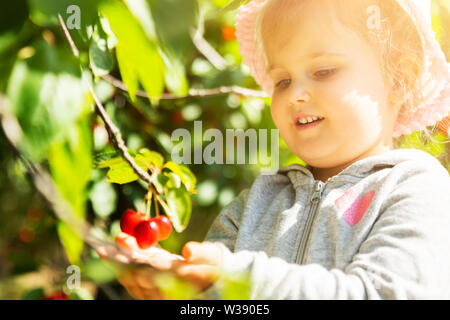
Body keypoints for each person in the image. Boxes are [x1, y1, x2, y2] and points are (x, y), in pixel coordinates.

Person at [97, 0, 450, 299]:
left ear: (398, 78)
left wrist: (238, 278)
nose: (295, 93)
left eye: (324, 70)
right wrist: (183, 286)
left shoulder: (416, 189)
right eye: (282, 80)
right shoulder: (256, 203)